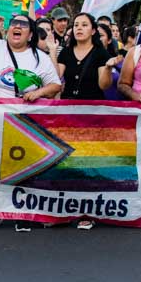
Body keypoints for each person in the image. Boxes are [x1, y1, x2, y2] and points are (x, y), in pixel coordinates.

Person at [0, 13, 62, 233]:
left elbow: (55, 85)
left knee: (22, 165)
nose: (17, 27)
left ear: (30, 34)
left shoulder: (39, 57)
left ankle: (22, 212)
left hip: (23, 117)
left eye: (23, 25)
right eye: (13, 24)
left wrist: (38, 93)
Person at [57, 12, 115, 230]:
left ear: (93, 30)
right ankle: (63, 209)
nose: (79, 28)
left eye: (84, 25)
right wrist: (54, 54)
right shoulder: (66, 53)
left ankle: (87, 211)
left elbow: (103, 85)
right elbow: (56, 79)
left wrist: (108, 68)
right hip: (67, 111)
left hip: (92, 113)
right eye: (76, 25)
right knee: (66, 161)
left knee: (88, 162)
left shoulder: (100, 53)